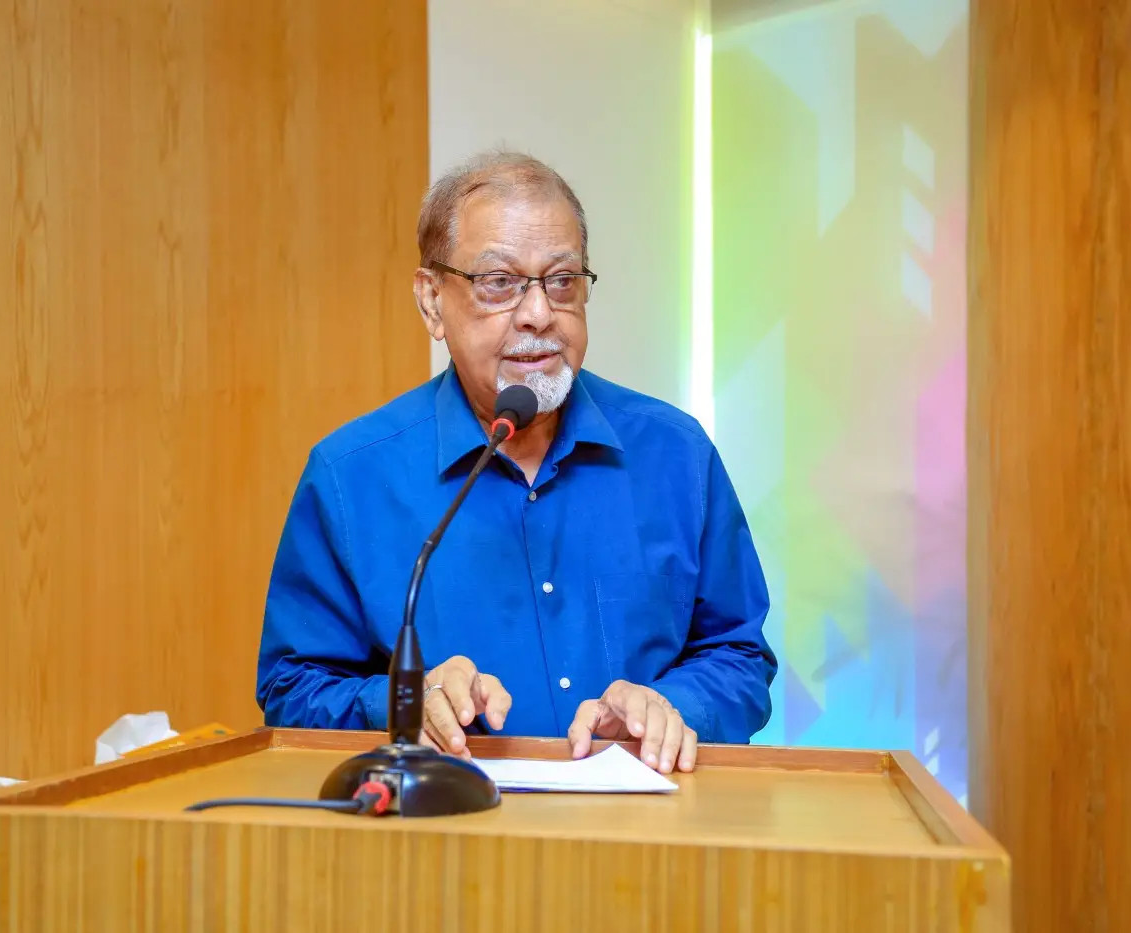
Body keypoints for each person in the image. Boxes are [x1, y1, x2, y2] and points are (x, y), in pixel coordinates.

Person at [256, 151, 775, 774]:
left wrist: (673, 707)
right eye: (499, 282)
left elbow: (740, 655)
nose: (538, 313)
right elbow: (292, 689)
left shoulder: (674, 453)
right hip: (449, 821)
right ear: (431, 301)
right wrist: (400, 702)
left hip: (647, 823)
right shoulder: (351, 476)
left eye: (562, 281)